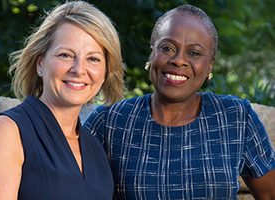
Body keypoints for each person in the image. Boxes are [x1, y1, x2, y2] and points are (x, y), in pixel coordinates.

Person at [83, 4, 275, 199]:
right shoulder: (111, 121)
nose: (178, 60)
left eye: (194, 53)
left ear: (210, 64)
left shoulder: (237, 118)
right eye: (167, 48)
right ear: (152, 53)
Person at [0, 1, 124, 199]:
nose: (79, 69)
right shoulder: (6, 132)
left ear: (105, 72)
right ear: (40, 64)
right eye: (65, 55)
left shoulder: (95, 147)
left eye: (93, 59)